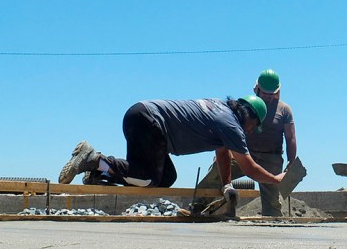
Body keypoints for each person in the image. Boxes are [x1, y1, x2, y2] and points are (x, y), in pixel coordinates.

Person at [58, 95, 283, 195]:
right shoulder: (232, 124)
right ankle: (93, 159)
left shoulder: (222, 109)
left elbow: (223, 152)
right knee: (148, 179)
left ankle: (101, 174)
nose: (252, 131)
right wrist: (276, 180)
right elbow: (248, 167)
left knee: (166, 178)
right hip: (149, 123)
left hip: (142, 115)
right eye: (254, 126)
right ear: (250, 117)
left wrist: (226, 185)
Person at [196, 69, 300, 216]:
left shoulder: (284, 110)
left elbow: (291, 138)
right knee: (216, 174)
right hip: (244, 154)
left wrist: (291, 161)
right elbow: (232, 130)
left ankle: (273, 224)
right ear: (257, 89)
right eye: (265, 94)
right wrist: (226, 153)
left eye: (272, 95)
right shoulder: (246, 106)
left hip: (271, 158)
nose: (269, 98)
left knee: (272, 199)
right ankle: (196, 208)